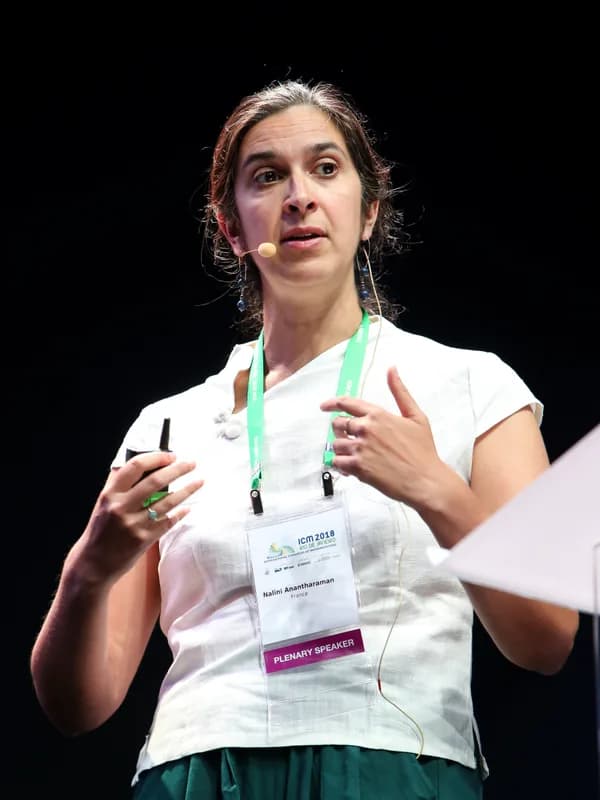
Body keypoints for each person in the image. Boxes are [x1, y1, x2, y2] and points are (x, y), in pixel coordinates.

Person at [30, 79, 579, 799]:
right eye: (267, 176)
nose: (299, 197)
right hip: (197, 768)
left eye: (325, 168)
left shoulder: (471, 384)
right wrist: (87, 572)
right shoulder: (168, 425)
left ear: (368, 208)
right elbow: (78, 706)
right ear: (232, 227)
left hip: (392, 762)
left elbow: (547, 639)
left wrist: (437, 492)